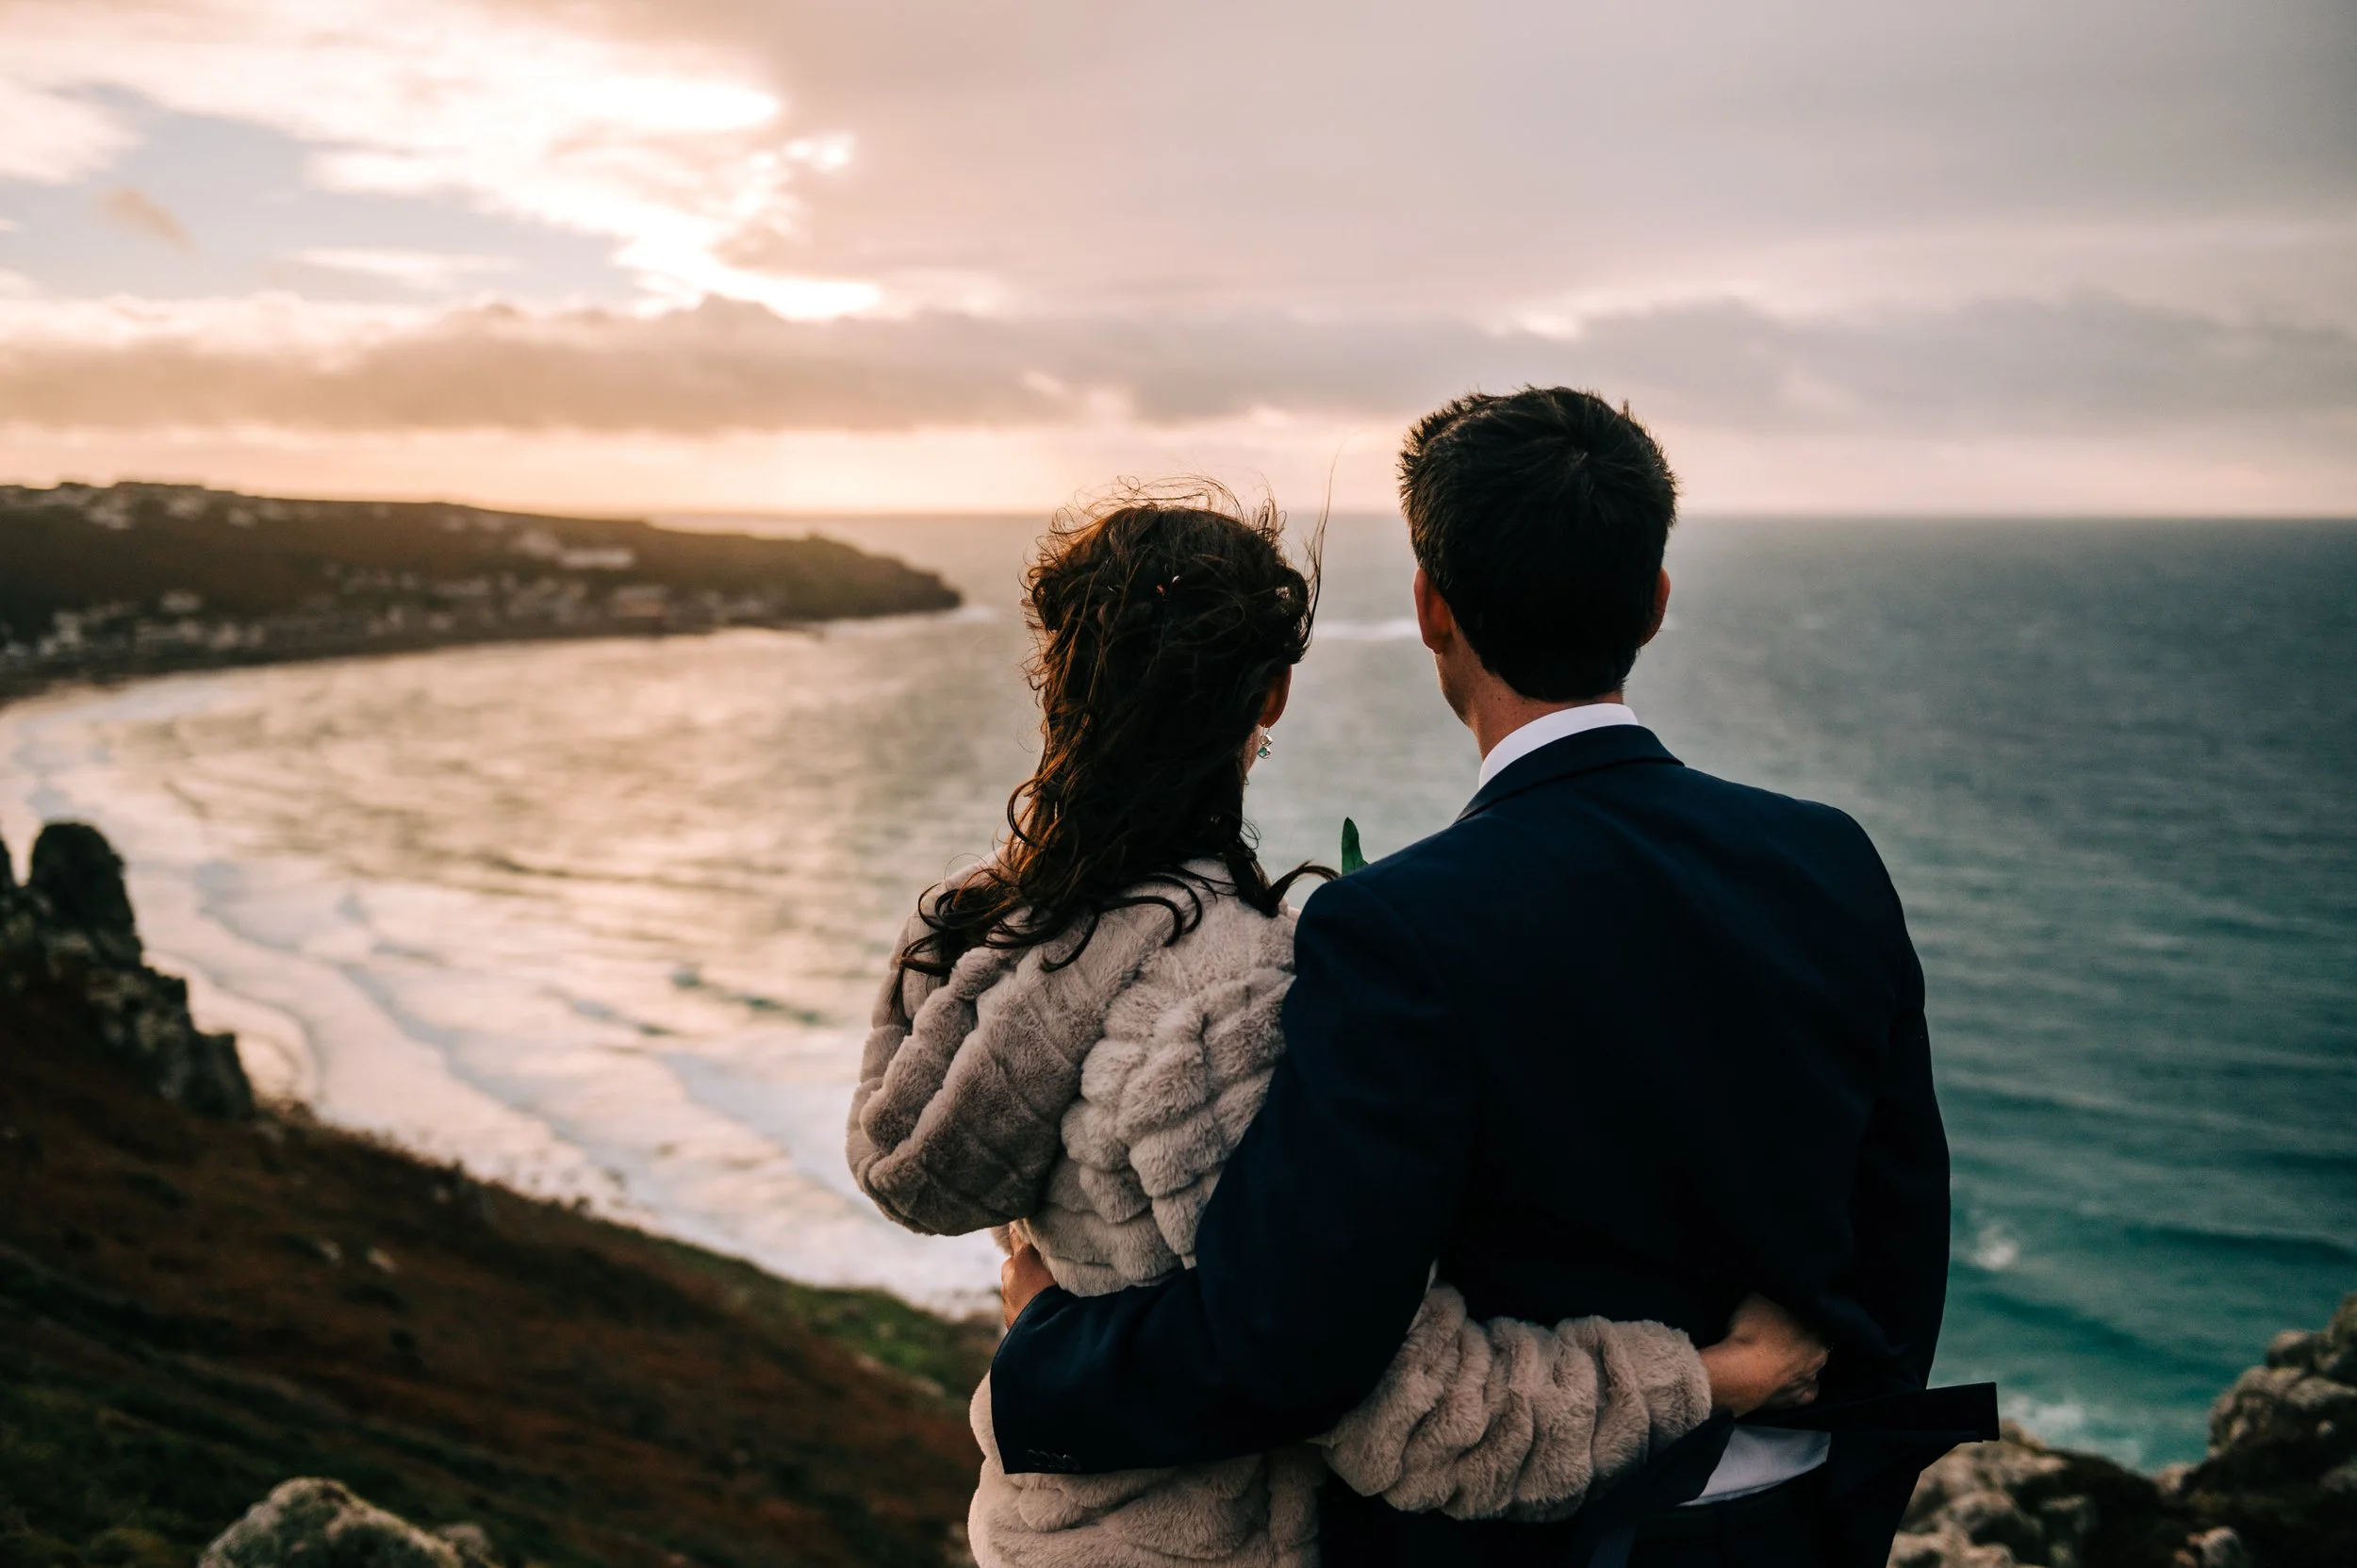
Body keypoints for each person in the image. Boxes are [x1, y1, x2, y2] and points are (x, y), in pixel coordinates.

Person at [985, 391, 1993, 1568]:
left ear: (1430, 609)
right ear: (1654, 603)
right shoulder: (1830, 858)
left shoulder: (1395, 929)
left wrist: (1039, 1356)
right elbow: (1902, 1222)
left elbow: (1291, 1338)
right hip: (1798, 1524)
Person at [849, 480, 1833, 1568]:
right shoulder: (1228, 1001)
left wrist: (1044, 1340)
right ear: (1268, 697)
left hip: (1032, 1532)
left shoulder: (973, 929)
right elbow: (1396, 1411)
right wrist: (1713, 1375)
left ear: (1060, 675)